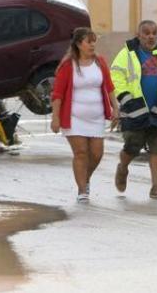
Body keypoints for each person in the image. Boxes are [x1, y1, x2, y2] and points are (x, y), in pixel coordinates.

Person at [111, 20, 157, 199]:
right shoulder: (126, 55)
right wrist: (127, 101)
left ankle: (156, 187)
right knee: (132, 148)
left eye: (154, 33)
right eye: (147, 33)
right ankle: (123, 167)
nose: (151, 36)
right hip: (134, 111)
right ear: (139, 35)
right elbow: (116, 77)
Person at [51, 27, 120, 202]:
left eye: (94, 41)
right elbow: (57, 94)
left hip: (96, 118)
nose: (92, 45)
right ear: (78, 44)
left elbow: (109, 87)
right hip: (74, 118)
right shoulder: (68, 66)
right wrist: (56, 117)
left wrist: (115, 108)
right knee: (81, 153)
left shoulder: (100, 62)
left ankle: (85, 178)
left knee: (97, 154)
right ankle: (82, 190)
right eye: (89, 42)